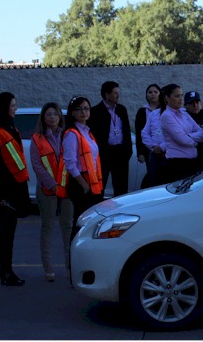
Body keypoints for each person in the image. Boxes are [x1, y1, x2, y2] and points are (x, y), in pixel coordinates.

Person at [0, 91, 29, 286]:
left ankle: (7, 270)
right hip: (6, 192)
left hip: (16, 188)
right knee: (6, 233)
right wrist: (2, 197)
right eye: (12, 105)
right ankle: (6, 272)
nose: (15, 108)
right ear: (4, 108)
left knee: (10, 232)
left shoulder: (11, 129)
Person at [29, 102, 73, 283]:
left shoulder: (68, 135)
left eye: (55, 114)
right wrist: (53, 184)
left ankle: (71, 267)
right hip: (47, 190)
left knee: (68, 228)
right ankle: (48, 268)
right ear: (43, 118)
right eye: (49, 114)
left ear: (60, 117)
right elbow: (37, 165)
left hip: (66, 189)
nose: (52, 117)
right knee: (48, 227)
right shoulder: (37, 138)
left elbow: (72, 160)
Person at [63, 96, 103, 230]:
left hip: (90, 183)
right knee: (80, 223)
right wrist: (84, 185)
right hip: (80, 183)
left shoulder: (87, 132)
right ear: (72, 112)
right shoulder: (72, 134)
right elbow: (70, 164)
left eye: (86, 109)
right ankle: (73, 250)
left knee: (88, 223)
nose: (83, 112)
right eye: (79, 109)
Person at [88, 81, 132, 197]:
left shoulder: (121, 109)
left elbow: (126, 131)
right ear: (107, 95)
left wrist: (128, 150)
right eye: (115, 93)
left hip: (120, 152)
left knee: (121, 187)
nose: (118, 95)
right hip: (104, 153)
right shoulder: (95, 111)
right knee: (100, 186)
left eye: (118, 93)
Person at [160, 84, 203, 183]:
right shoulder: (166, 116)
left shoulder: (184, 113)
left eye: (181, 95)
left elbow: (201, 133)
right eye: (177, 96)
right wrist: (195, 142)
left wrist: (189, 136)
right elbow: (181, 139)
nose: (180, 99)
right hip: (177, 164)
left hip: (192, 162)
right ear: (167, 98)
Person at [135, 84, 160, 189]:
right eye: (150, 92)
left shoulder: (164, 109)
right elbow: (139, 132)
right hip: (148, 149)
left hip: (164, 148)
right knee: (152, 175)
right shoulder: (142, 111)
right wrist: (140, 152)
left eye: (155, 92)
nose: (152, 94)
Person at [141, 92, 167, 185]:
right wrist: (153, 147)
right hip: (155, 154)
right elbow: (144, 133)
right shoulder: (154, 114)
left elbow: (178, 136)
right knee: (154, 183)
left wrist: (162, 147)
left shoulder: (180, 114)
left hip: (170, 154)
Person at [184, 90, 203, 170]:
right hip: (185, 161)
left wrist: (187, 136)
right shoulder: (180, 120)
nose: (195, 105)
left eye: (197, 102)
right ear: (185, 105)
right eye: (191, 103)